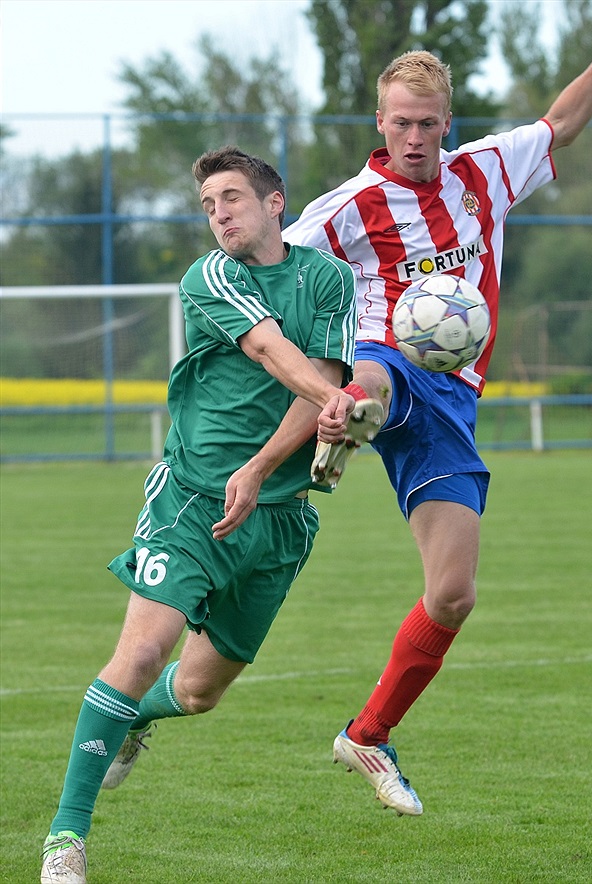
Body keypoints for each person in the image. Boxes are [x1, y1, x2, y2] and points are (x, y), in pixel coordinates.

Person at [285, 0, 592, 817]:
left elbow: (560, 123)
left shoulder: (484, 170)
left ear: (448, 123)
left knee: (453, 594)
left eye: (430, 125)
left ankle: (368, 734)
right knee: (376, 378)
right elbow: (279, 267)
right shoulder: (347, 209)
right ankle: (344, 414)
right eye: (402, 123)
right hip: (384, 358)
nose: (416, 138)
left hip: (453, 401)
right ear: (380, 121)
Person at [40, 145, 382, 883]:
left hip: (280, 514)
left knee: (197, 692)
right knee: (139, 655)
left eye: (231, 197)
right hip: (192, 498)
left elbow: (317, 377)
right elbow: (271, 351)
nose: (218, 213)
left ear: (274, 201)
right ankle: (65, 841)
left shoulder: (326, 278)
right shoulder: (210, 277)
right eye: (208, 204)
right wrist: (336, 406)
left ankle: (133, 720)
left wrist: (265, 465)